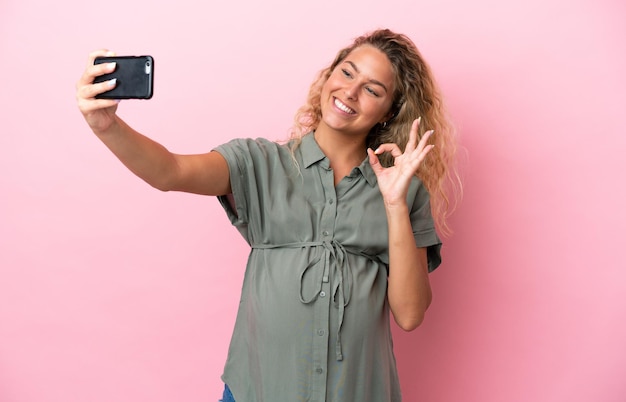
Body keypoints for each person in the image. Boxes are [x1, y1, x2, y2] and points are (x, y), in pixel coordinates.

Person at [76, 28, 459, 402]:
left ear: (389, 112)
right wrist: (108, 126)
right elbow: (169, 171)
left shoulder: (404, 190)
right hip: (258, 389)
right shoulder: (259, 162)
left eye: (373, 90)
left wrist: (393, 205)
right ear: (328, 75)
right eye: (346, 72)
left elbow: (410, 315)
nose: (351, 92)